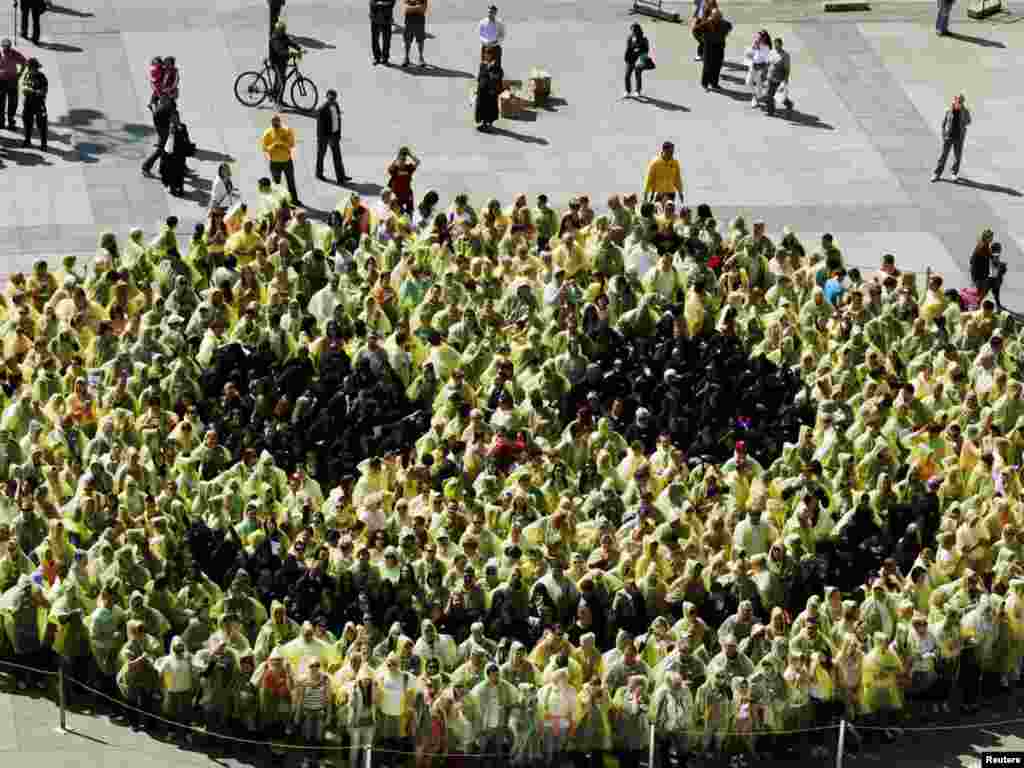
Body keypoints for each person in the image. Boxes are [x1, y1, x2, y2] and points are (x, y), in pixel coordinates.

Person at [261, 113, 301, 206]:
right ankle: (279, 203)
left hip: (287, 161)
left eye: (277, 122)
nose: (275, 125)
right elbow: (264, 148)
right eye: (273, 123)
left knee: (291, 182)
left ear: (280, 122)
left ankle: (294, 200)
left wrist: (283, 144)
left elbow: (292, 144)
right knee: (277, 185)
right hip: (274, 163)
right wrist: (273, 146)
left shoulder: (287, 131)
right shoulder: (267, 133)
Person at [931, 93, 971, 183]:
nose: (956, 102)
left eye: (958, 101)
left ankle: (954, 173)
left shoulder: (965, 111)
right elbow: (944, 123)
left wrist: (963, 117)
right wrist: (943, 135)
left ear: (962, 102)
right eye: (955, 100)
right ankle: (937, 173)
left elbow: (968, 121)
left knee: (957, 156)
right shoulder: (948, 110)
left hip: (959, 137)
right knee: (943, 155)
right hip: (948, 137)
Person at [316, 89, 350, 184]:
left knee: (337, 157)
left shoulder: (336, 105)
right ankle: (319, 174)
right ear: (327, 97)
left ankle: (341, 177)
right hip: (325, 137)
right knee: (321, 155)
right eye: (330, 98)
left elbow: (338, 121)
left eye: (334, 98)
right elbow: (320, 127)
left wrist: (338, 134)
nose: (332, 100)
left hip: (334, 135)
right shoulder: (322, 109)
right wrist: (327, 138)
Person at [694, 8, 730, 92]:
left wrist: (725, 35)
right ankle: (704, 83)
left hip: (720, 47)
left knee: (717, 66)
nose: (717, 17)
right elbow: (696, 30)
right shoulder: (707, 23)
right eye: (715, 16)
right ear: (712, 16)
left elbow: (730, 27)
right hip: (709, 47)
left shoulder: (724, 23)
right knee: (707, 66)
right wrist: (702, 40)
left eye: (718, 16)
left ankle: (714, 83)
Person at [142, 95, 176, 177]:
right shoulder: (164, 109)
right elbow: (170, 120)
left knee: (165, 150)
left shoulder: (165, 106)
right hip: (163, 130)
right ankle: (145, 167)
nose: (177, 94)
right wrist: (170, 128)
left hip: (162, 129)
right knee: (160, 150)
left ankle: (163, 169)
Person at [269, 21, 301, 104]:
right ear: (278, 30)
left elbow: (290, 42)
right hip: (276, 63)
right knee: (282, 82)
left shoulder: (283, 36)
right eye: (282, 30)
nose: (283, 31)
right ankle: (278, 103)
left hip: (283, 62)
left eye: (284, 29)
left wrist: (298, 48)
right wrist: (291, 53)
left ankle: (277, 97)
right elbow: (280, 52)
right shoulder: (275, 39)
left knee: (280, 81)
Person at [19, 57, 47, 151]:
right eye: (29, 68)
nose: (30, 69)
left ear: (36, 68)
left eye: (32, 68)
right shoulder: (27, 75)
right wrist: (25, 90)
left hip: (39, 103)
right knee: (27, 122)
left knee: (41, 124)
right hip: (28, 103)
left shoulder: (41, 77)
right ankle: (27, 140)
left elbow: (43, 91)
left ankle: (43, 144)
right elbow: (23, 85)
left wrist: (33, 91)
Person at [0, 39, 27, 132]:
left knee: (13, 103)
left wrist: (20, 73)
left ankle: (11, 122)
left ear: (10, 47)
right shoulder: (0, 54)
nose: (6, 49)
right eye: (4, 47)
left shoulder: (14, 54)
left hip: (12, 80)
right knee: (1, 103)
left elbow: (24, 62)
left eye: (7, 47)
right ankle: (1, 122)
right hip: (1, 81)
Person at [763, 37, 793, 117]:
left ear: (781, 45)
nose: (776, 46)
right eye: (775, 45)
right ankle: (770, 111)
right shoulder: (772, 52)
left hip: (779, 78)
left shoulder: (785, 55)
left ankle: (789, 104)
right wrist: (764, 73)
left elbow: (787, 69)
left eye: (778, 45)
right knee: (769, 95)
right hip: (770, 77)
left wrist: (785, 80)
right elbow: (768, 63)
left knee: (779, 96)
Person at [475, 51, 503, 132]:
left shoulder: (496, 66)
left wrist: (491, 70)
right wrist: (478, 87)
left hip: (491, 90)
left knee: (490, 108)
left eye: (488, 55)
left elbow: (498, 77)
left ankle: (490, 126)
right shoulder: (482, 64)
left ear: (492, 56)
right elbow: (479, 76)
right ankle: (483, 124)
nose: (486, 56)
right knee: (482, 107)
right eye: (485, 55)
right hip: (482, 89)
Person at [387, 146, 420, 214]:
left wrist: (410, 154)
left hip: (407, 195)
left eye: (404, 159)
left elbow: (418, 162)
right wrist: (398, 157)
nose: (403, 161)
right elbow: (389, 169)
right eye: (401, 159)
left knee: (409, 213)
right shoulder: (395, 169)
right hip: (397, 195)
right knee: (396, 214)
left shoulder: (408, 168)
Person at [744, 30, 771, 109]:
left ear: (764, 38)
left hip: (761, 68)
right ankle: (755, 96)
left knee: (759, 86)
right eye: (757, 37)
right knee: (748, 82)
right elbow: (748, 54)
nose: (757, 39)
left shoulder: (766, 47)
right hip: (753, 66)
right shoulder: (755, 44)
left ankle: (756, 99)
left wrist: (758, 48)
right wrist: (752, 48)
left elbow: (766, 60)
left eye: (759, 38)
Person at [623, 23, 649, 100]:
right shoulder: (630, 38)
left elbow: (646, 49)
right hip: (631, 58)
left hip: (640, 58)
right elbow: (628, 49)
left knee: (637, 75)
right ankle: (627, 91)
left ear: (638, 31)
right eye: (631, 31)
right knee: (627, 75)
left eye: (634, 31)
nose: (632, 32)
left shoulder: (644, 39)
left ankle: (638, 91)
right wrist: (626, 58)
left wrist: (639, 51)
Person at [402, 0, 428, 67]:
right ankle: (406, 58)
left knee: (420, 41)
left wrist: (411, 8)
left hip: (420, 22)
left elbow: (423, 9)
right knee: (407, 41)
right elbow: (405, 9)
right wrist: (417, 7)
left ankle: (421, 58)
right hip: (408, 22)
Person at [370, 0, 397, 65]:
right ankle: (377, 58)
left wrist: (379, 3)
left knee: (386, 40)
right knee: (375, 39)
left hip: (386, 18)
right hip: (375, 18)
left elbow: (392, 2)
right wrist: (383, 4)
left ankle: (385, 58)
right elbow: (372, 2)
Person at [970, 229, 994, 299]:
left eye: (992, 237)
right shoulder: (982, 247)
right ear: (986, 237)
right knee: (981, 294)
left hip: (981, 275)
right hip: (980, 275)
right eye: (990, 237)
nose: (992, 239)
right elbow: (973, 261)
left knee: (982, 293)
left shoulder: (984, 245)